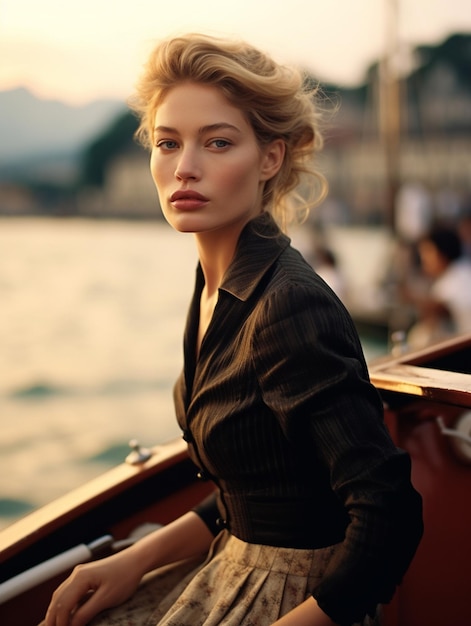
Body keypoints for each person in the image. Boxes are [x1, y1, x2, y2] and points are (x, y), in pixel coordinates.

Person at [43, 33, 423, 626]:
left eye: (217, 143)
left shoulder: (289, 305)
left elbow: (390, 511)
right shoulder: (219, 284)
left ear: (270, 159)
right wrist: (133, 561)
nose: (185, 167)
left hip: (291, 601)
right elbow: (258, 488)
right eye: (167, 143)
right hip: (233, 560)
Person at [406, 225, 471, 349]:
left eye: (427, 252)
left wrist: (412, 298)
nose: (424, 259)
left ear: (442, 253)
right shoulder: (460, 271)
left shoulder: (457, 277)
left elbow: (442, 307)